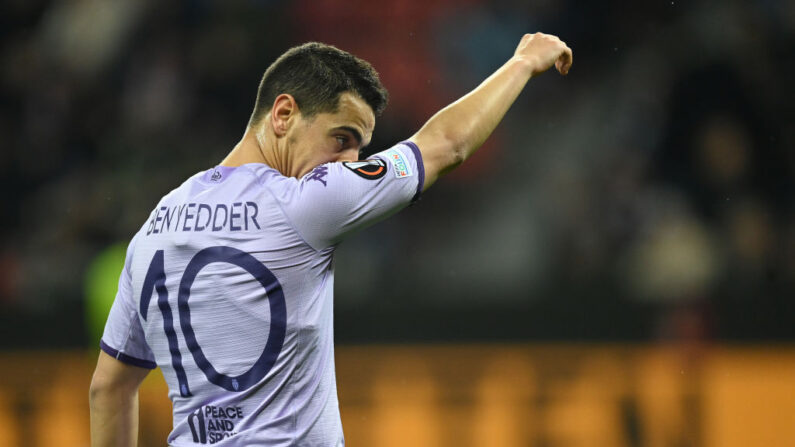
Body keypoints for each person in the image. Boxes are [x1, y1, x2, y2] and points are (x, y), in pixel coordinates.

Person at [89, 32, 572, 446]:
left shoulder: (155, 227)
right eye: (342, 139)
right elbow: (447, 146)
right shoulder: (304, 202)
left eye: (361, 148)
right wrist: (523, 63)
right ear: (283, 114)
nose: (350, 163)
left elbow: (109, 388)